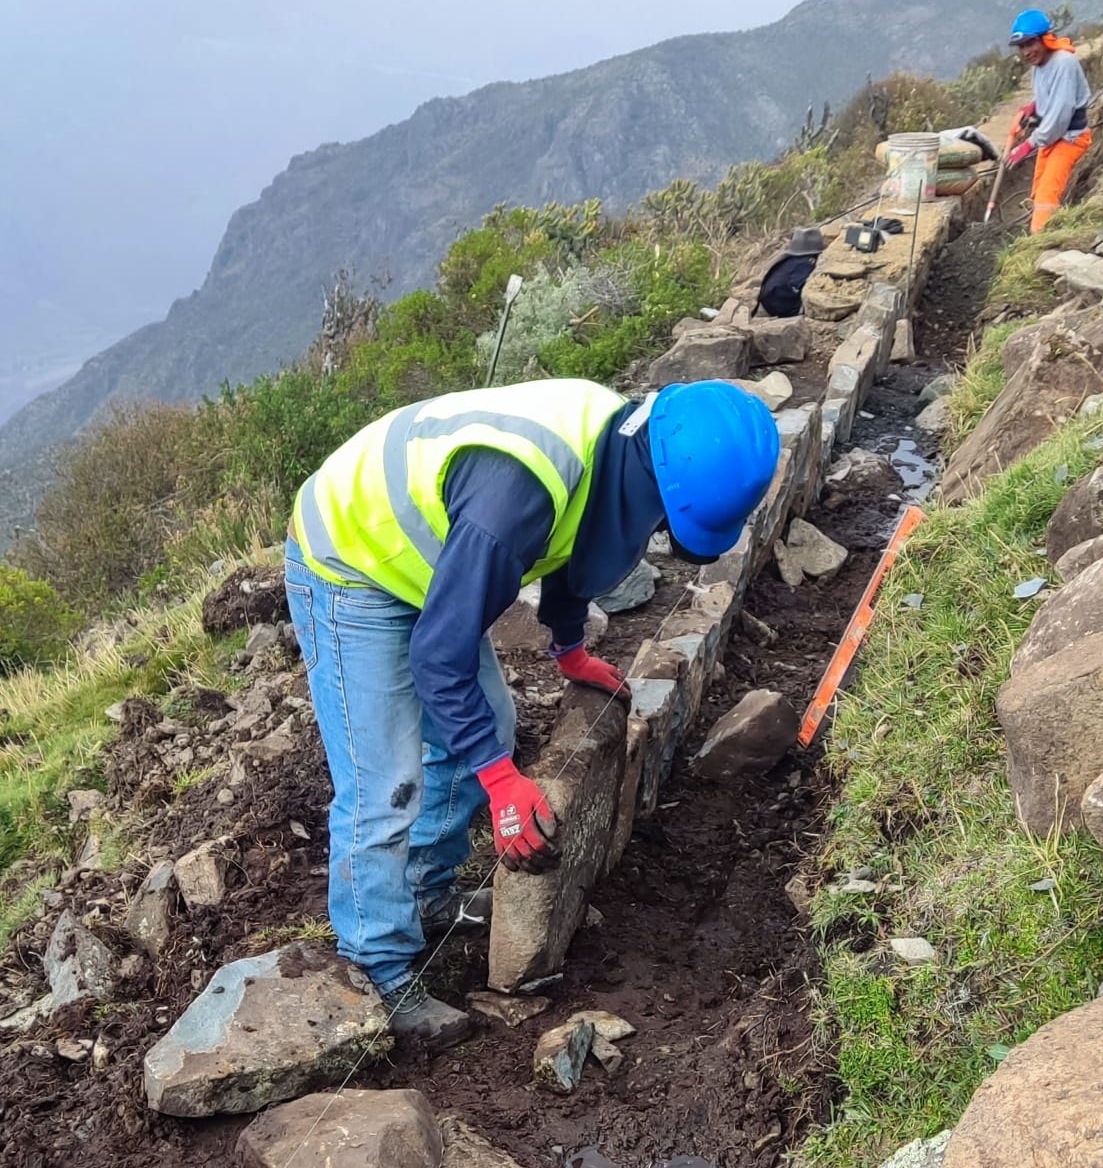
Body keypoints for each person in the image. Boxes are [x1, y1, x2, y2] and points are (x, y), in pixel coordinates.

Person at [284, 377, 782, 1015]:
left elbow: (580, 545)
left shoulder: (624, 448)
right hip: (350, 559)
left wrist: (569, 648)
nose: (658, 532)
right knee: (385, 786)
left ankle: (428, 893)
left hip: (431, 560)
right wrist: (501, 782)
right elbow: (439, 657)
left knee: (490, 721)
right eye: (664, 520)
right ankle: (377, 972)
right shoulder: (515, 497)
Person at [1006, 9, 1093, 231]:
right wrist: (1033, 107)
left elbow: (1060, 116)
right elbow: (1048, 96)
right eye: (1022, 47)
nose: (1026, 52)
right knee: (1037, 190)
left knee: (1047, 195)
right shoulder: (1039, 66)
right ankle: (1037, 229)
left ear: (1046, 38)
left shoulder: (1063, 64)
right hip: (1052, 138)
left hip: (1069, 138)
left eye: (1031, 43)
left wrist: (1028, 144)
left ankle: (1040, 242)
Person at [756, 226, 827, 318]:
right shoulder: (805, 263)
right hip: (778, 304)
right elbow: (802, 285)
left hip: (767, 298)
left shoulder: (788, 259)